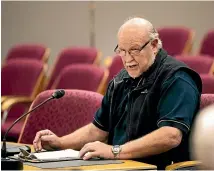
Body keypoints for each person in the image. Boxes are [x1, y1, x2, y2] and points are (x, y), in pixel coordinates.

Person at [33, 17, 202, 169]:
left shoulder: (177, 78)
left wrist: (114, 151)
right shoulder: (121, 79)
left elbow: (170, 135)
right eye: (122, 51)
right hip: (118, 164)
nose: (128, 59)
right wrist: (61, 143)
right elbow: (98, 130)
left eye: (135, 50)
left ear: (154, 45)